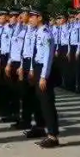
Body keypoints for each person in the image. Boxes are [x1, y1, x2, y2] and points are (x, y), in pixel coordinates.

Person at [31, 9, 60, 148]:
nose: (30, 19)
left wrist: (43, 76)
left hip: (44, 69)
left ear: (40, 17)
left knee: (47, 102)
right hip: (38, 67)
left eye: (32, 17)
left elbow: (48, 57)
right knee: (42, 101)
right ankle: (48, 132)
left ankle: (53, 136)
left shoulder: (46, 34)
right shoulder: (37, 32)